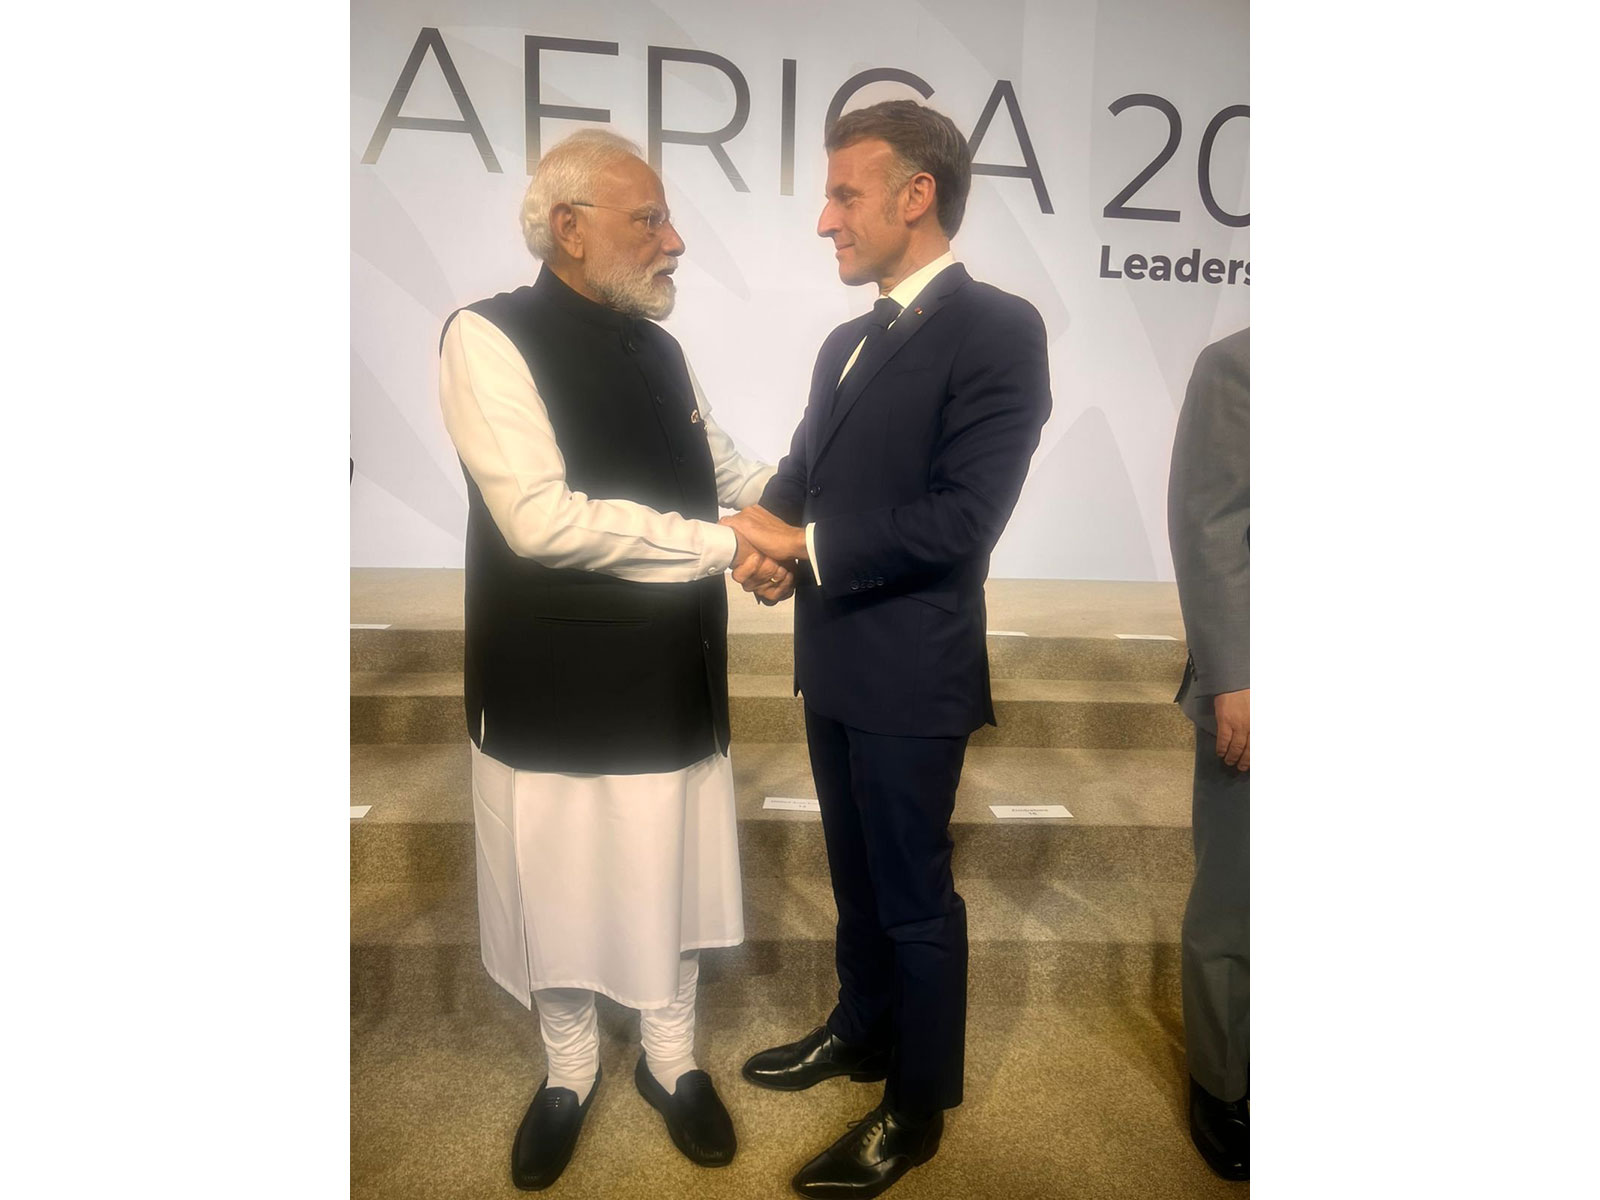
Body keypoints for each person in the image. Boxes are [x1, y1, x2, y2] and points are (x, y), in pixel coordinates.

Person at [436, 128, 791, 1191]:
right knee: (555, 887)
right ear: (568, 229)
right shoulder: (485, 338)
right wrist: (732, 546)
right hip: (548, 684)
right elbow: (541, 523)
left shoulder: (660, 347)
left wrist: (806, 519)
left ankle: (673, 1064)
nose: (674, 240)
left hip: (671, 676)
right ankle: (569, 1069)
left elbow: (726, 465)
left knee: (666, 871)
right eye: (650, 220)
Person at [724, 100, 1053, 1198]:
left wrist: (801, 546)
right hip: (834, 659)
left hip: (913, 671)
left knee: (913, 896)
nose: (824, 220)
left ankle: (914, 1109)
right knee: (857, 883)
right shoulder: (845, 338)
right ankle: (860, 1032)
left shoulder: (999, 328)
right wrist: (766, 540)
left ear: (917, 197)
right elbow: (800, 470)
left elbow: (965, 519)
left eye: (844, 194)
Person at [1166, 327, 1250, 1181]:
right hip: (1264, 689)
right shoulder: (1241, 362)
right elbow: (1211, 523)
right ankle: (1222, 1084)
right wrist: (1235, 675)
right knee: (1237, 901)